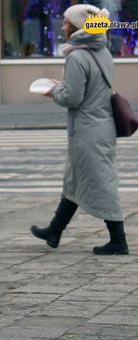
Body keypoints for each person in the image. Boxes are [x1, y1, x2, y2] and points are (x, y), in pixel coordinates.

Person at [31, 4, 129, 255]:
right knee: (75, 180)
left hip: (88, 130)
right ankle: (54, 230)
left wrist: (54, 90)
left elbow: (73, 98)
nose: (62, 26)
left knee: (101, 182)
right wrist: (63, 86)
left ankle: (118, 240)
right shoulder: (102, 51)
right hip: (100, 125)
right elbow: (90, 89)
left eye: (65, 23)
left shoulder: (76, 56)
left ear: (75, 27)